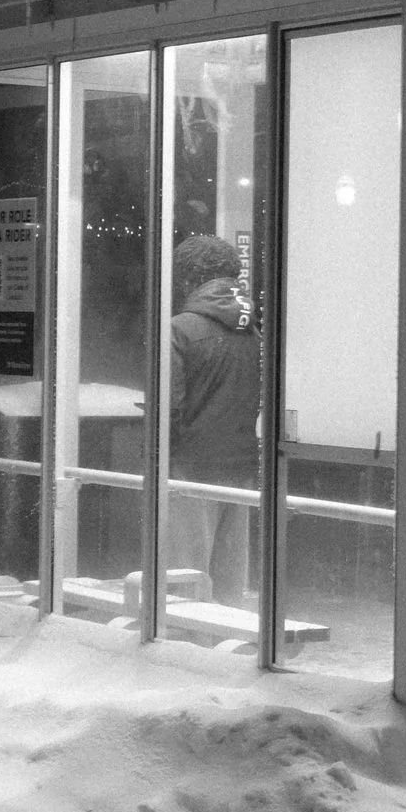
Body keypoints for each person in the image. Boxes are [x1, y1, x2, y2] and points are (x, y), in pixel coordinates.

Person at [165, 234, 261, 608]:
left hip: (191, 468)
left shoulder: (179, 328)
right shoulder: (253, 330)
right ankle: (224, 653)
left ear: (188, 280)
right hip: (239, 468)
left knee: (185, 576)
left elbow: (169, 406)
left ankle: (185, 653)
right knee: (228, 583)